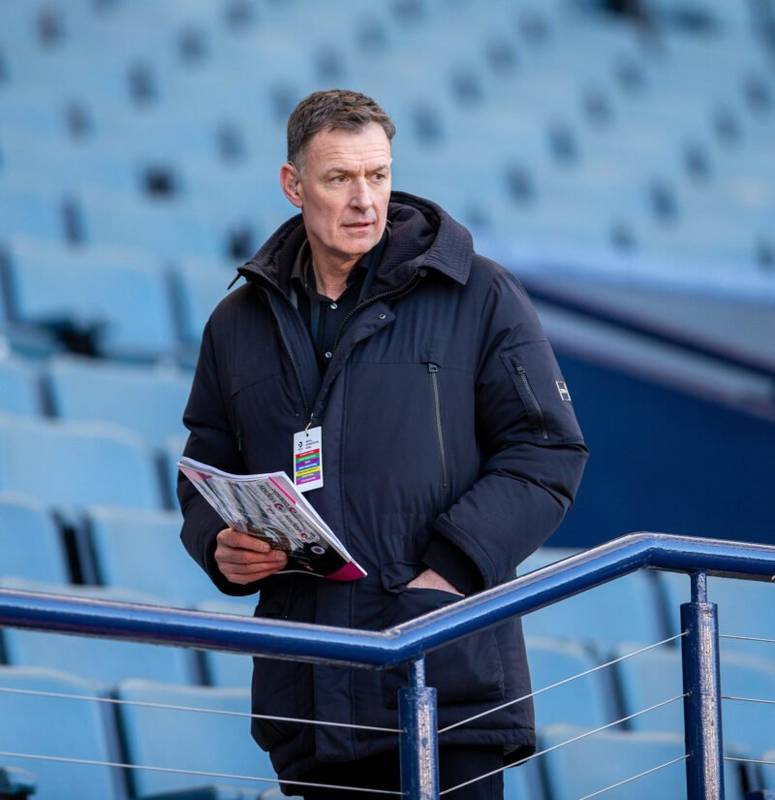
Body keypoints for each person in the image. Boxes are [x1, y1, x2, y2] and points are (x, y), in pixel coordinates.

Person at [179, 89, 589, 799]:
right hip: (310, 690)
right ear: (293, 184)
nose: (364, 200)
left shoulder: (480, 294)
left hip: (442, 673)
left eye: (378, 175)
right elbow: (204, 469)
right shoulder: (235, 323)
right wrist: (220, 543)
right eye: (339, 178)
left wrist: (448, 572)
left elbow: (546, 451)